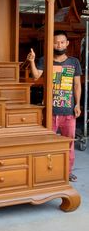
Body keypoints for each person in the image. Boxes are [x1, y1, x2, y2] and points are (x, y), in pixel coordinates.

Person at [27, 30, 82, 182]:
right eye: (56, 42)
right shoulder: (45, 60)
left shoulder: (74, 62)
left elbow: (77, 85)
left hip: (68, 111)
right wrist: (32, 61)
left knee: (68, 143)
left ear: (67, 43)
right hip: (50, 111)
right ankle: (46, 170)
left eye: (62, 42)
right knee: (46, 143)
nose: (59, 45)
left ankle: (67, 171)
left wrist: (77, 104)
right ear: (52, 44)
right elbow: (36, 75)